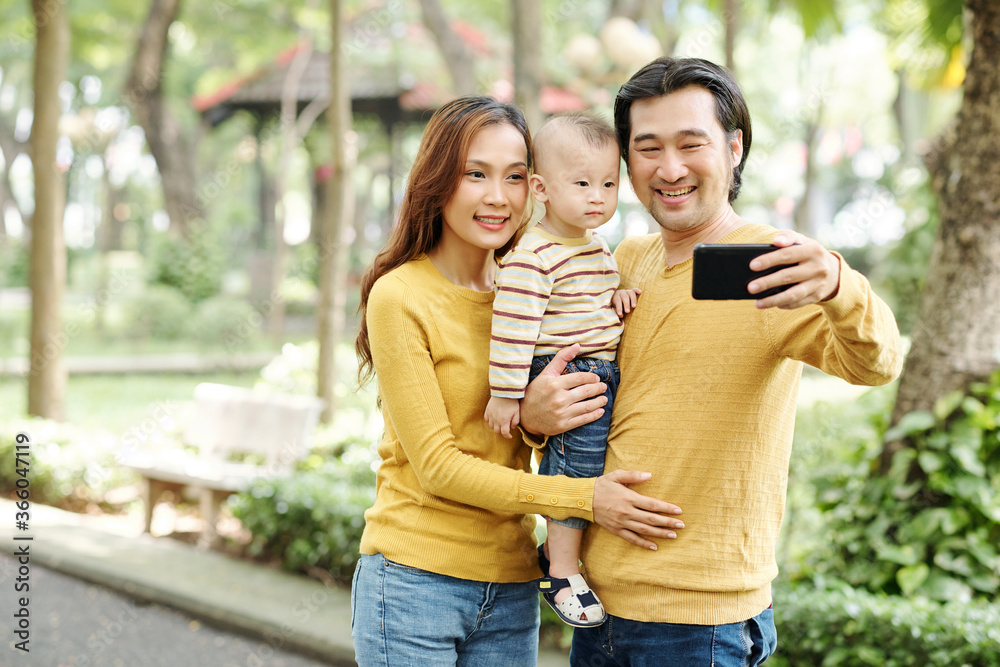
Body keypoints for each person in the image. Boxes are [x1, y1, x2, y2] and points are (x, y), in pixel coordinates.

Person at [518, 57, 905, 666]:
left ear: (733, 149)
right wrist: (534, 416)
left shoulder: (774, 265)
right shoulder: (623, 261)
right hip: (597, 609)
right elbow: (577, 395)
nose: (669, 169)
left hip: (701, 624)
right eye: (648, 148)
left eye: (690, 144)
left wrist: (836, 283)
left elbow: (876, 364)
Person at [350, 95, 686, 667]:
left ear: (534, 186)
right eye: (475, 174)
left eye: (511, 177)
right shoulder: (401, 295)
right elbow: (437, 466)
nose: (496, 197)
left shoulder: (536, 286)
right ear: (437, 181)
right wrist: (586, 498)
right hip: (414, 581)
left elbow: (523, 432)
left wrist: (533, 420)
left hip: (510, 584)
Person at [484, 112, 639, 628]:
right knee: (577, 469)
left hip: (594, 373)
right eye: (582, 183)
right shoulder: (534, 255)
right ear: (541, 188)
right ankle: (562, 567)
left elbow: (591, 297)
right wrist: (507, 395)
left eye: (608, 183)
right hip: (562, 373)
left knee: (587, 464)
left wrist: (616, 295)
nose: (598, 196)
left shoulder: (594, 246)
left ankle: (566, 558)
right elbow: (513, 325)